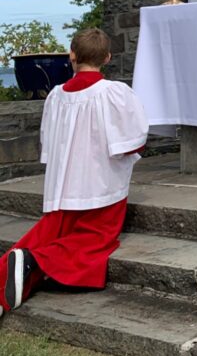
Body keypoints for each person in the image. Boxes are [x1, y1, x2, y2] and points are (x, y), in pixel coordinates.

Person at [1, 28, 148, 317]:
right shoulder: (114, 93)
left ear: (71, 55)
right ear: (107, 57)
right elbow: (131, 140)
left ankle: (14, 272)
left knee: (43, 234)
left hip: (63, 188)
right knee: (94, 241)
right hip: (101, 188)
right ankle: (33, 261)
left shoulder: (56, 96)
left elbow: (50, 142)